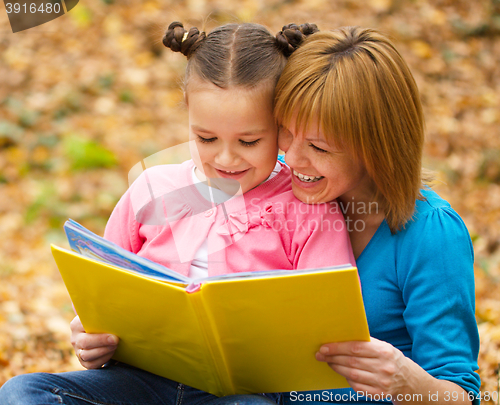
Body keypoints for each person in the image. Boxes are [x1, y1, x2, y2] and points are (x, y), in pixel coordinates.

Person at [0, 22, 351, 405]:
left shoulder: (307, 208)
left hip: (244, 392)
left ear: (283, 126)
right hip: (140, 382)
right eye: (206, 138)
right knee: (23, 392)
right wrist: (90, 338)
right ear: (187, 116)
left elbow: (330, 325)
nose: (226, 158)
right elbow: (101, 295)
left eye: (249, 141)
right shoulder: (152, 190)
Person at [273, 26, 481, 404]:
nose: (292, 157)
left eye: (318, 147)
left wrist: (410, 383)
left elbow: (463, 396)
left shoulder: (430, 234)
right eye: (284, 132)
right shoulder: (281, 198)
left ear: (376, 147)